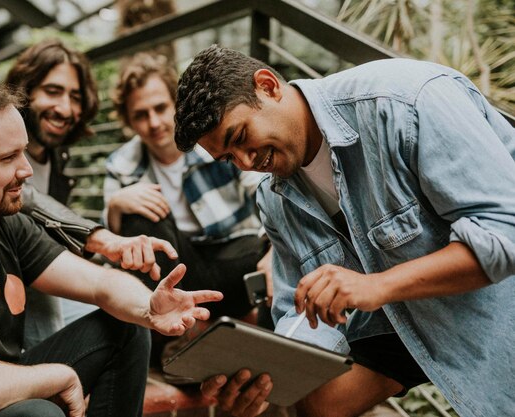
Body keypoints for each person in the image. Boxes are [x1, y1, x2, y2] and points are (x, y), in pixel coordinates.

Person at [174, 45, 515, 417]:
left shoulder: (408, 99)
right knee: (317, 404)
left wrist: (377, 286)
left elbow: (505, 233)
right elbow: (300, 314)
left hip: (491, 298)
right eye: (227, 158)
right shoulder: (273, 199)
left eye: (240, 137)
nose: (245, 163)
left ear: (268, 86)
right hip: (399, 314)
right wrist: (266, 380)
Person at [0, 78, 223, 417]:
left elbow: (98, 283)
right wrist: (58, 375)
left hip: (1, 381)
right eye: (7, 158)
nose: (27, 170)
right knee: (39, 413)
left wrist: (149, 308)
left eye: (23, 151)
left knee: (126, 328)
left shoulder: (0, 219)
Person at [4, 39, 178, 348]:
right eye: (53, 91)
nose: (66, 108)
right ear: (25, 91)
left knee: (126, 324)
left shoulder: (57, 158)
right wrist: (104, 239)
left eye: (75, 97)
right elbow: (23, 198)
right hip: (4, 287)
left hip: (45, 277)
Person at [105, 52, 273, 327]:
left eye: (160, 108)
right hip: (174, 275)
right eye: (141, 115)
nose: (154, 123)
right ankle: (180, 328)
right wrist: (114, 208)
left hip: (236, 263)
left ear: (176, 105)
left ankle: (234, 324)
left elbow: (264, 191)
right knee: (136, 217)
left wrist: (273, 249)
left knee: (265, 247)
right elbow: (113, 252)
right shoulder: (122, 165)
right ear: (129, 121)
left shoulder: (212, 141)